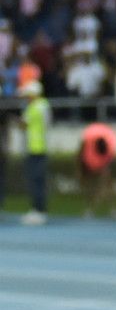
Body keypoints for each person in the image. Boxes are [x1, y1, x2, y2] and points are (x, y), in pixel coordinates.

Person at [20, 80, 49, 226]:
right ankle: (40, 209)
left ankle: (38, 210)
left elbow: (23, 125)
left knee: (35, 180)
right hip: (41, 146)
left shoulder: (33, 108)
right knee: (40, 180)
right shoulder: (45, 105)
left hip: (34, 147)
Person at [78, 119, 116, 219]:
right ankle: (90, 209)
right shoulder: (89, 144)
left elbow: (109, 160)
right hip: (90, 164)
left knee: (106, 187)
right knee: (93, 187)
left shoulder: (107, 148)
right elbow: (81, 152)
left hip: (101, 165)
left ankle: (112, 209)